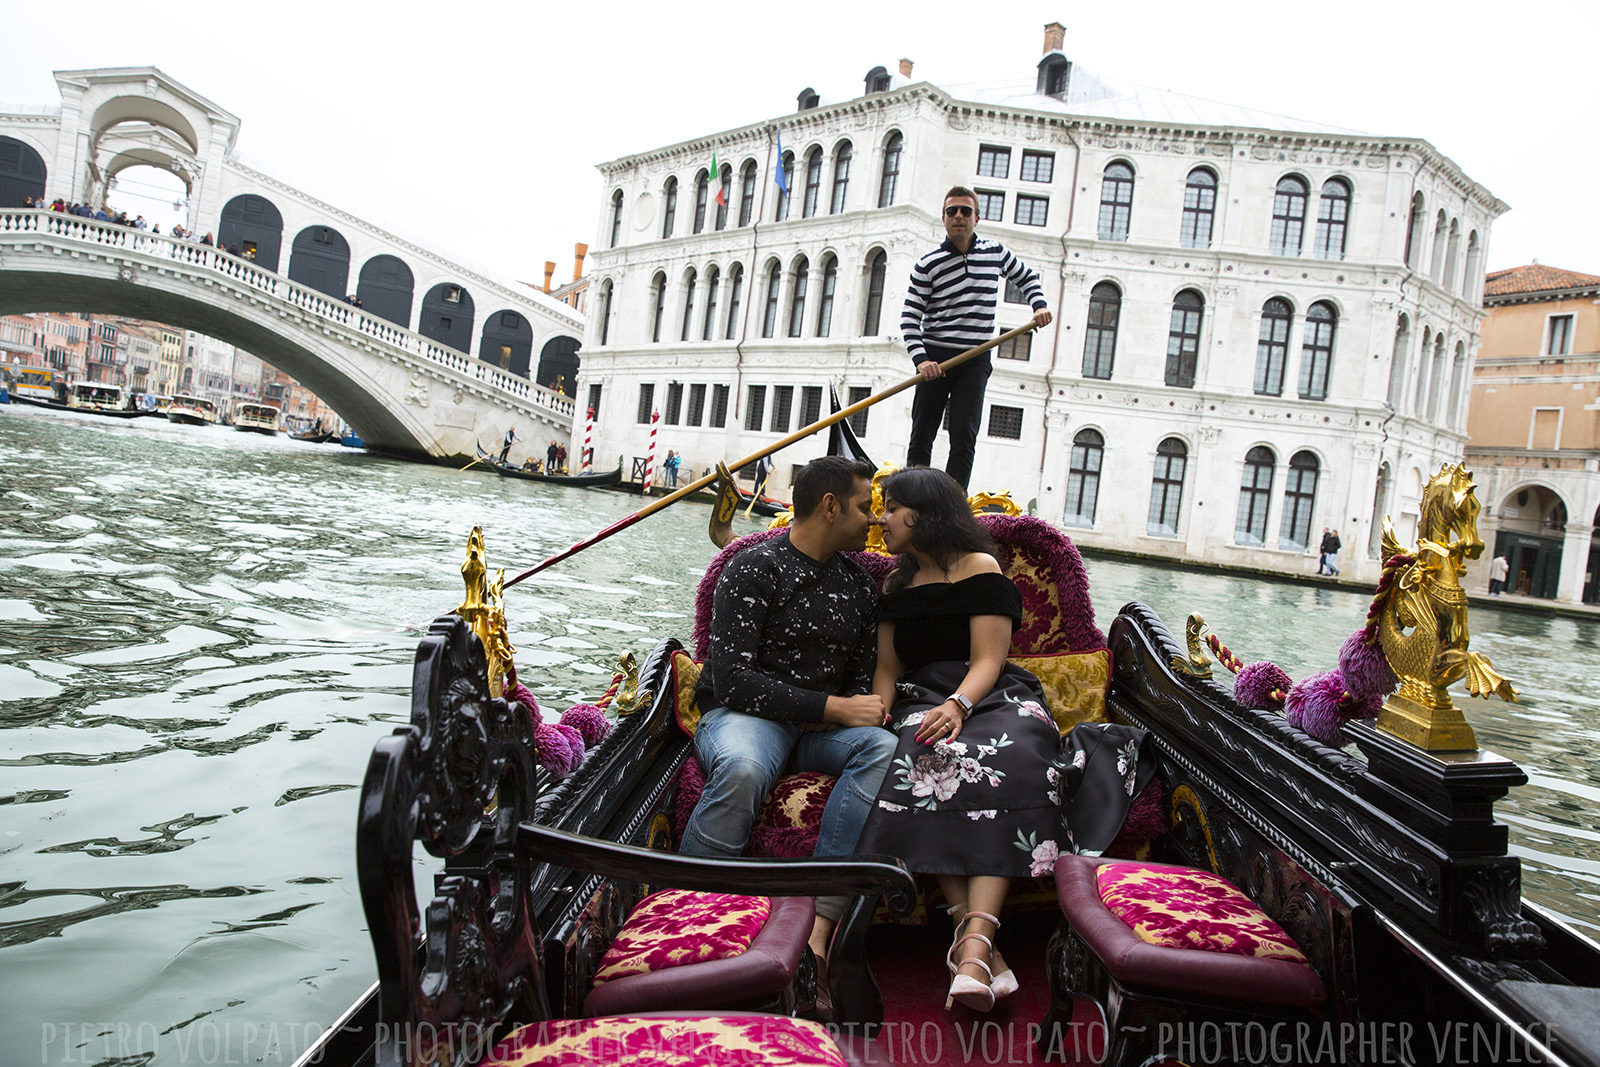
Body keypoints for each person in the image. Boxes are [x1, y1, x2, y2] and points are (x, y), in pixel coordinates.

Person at [682, 456, 895, 986]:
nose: (872, 519)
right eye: (865, 506)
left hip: (817, 732)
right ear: (829, 506)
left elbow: (860, 677)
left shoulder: (861, 586)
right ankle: (690, 915)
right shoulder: (754, 567)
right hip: (745, 717)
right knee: (745, 769)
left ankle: (818, 917)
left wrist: (844, 708)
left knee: (880, 748)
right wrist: (833, 708)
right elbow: (732, 681)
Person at [856, 467, 1061, 1013]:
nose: (882, 517)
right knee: (927, 758)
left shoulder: (979, 567)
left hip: (987, 694)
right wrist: (882, 716)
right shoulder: (894, 584)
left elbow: (990, 658)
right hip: (921, 699)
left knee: (1015, 755)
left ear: (922, 513)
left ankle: (972, 942)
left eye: (892, 506)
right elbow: (887, 668)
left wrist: (959, 705)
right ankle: (976, 949)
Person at [901, 187, 1052, 490]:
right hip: (935, 357)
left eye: (965, 211)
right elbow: (909, 317)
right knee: (922, 436)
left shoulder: (994, 253)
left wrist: (1039, 305)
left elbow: (1028, 277)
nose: (959, 216)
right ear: (943, 218)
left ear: (977, 218)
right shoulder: (927, 264)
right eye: (952, 211)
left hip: (975, 358)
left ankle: (952, 508)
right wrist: (922, 361)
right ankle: (911, 500)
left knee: (964, 437)